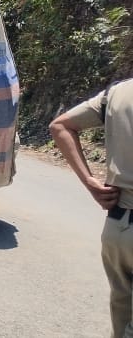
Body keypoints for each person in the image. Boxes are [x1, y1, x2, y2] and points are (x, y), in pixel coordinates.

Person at [50, 79, 133, 338]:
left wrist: (89, 182)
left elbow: (60, 125)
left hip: (118, 229)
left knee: (122, 317)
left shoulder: (118, 92)